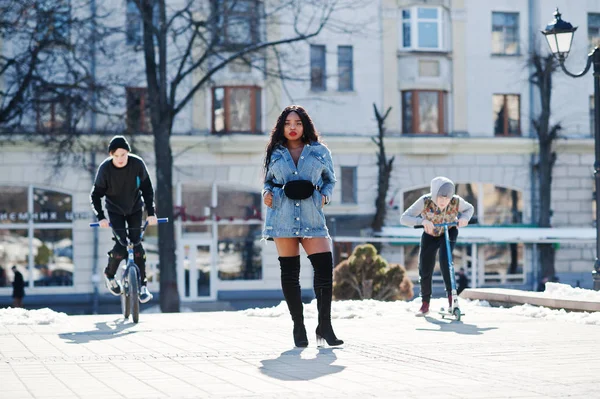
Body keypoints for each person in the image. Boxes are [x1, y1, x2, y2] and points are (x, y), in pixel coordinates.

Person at [262, 105, 342, 347]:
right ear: (282, 127)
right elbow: (268, 181)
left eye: (297, 123)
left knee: (324, 270)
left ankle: (324, 325)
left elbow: (330, 180)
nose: (293, 127)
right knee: (290, 274)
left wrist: (324, 197)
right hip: (282, 217)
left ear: (305, 125)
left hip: (312, 218)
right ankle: (298, 326)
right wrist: (267, 192)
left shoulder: (319, 152)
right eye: (288, 123)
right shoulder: (275, 152)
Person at [90, 135, 157, 303]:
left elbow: (147, 189)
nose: (120, 159)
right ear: (111, 155)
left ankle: (142, 287)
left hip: (135, 208)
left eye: (123, 155)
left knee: (136, 243)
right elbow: (96, 195)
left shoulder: (137, 164)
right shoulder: (105, 169)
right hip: (115, 210)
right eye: (116, 156)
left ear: (128, 152)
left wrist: (151, 213)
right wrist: (101, 217)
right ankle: (110, 276)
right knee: (121, 243)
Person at [400, 176, 474, 316]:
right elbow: (404, 218)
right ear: (434, 194)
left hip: (449, 231)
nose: (443, 201)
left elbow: (469, 209)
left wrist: (465, 218)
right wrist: (422, 221)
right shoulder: (425, 201)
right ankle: (425, 303)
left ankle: (452, 299)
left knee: (446, 263)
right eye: (440, 197)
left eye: (446, 198)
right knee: (425, 267)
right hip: (430, 234)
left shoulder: (456, 201)